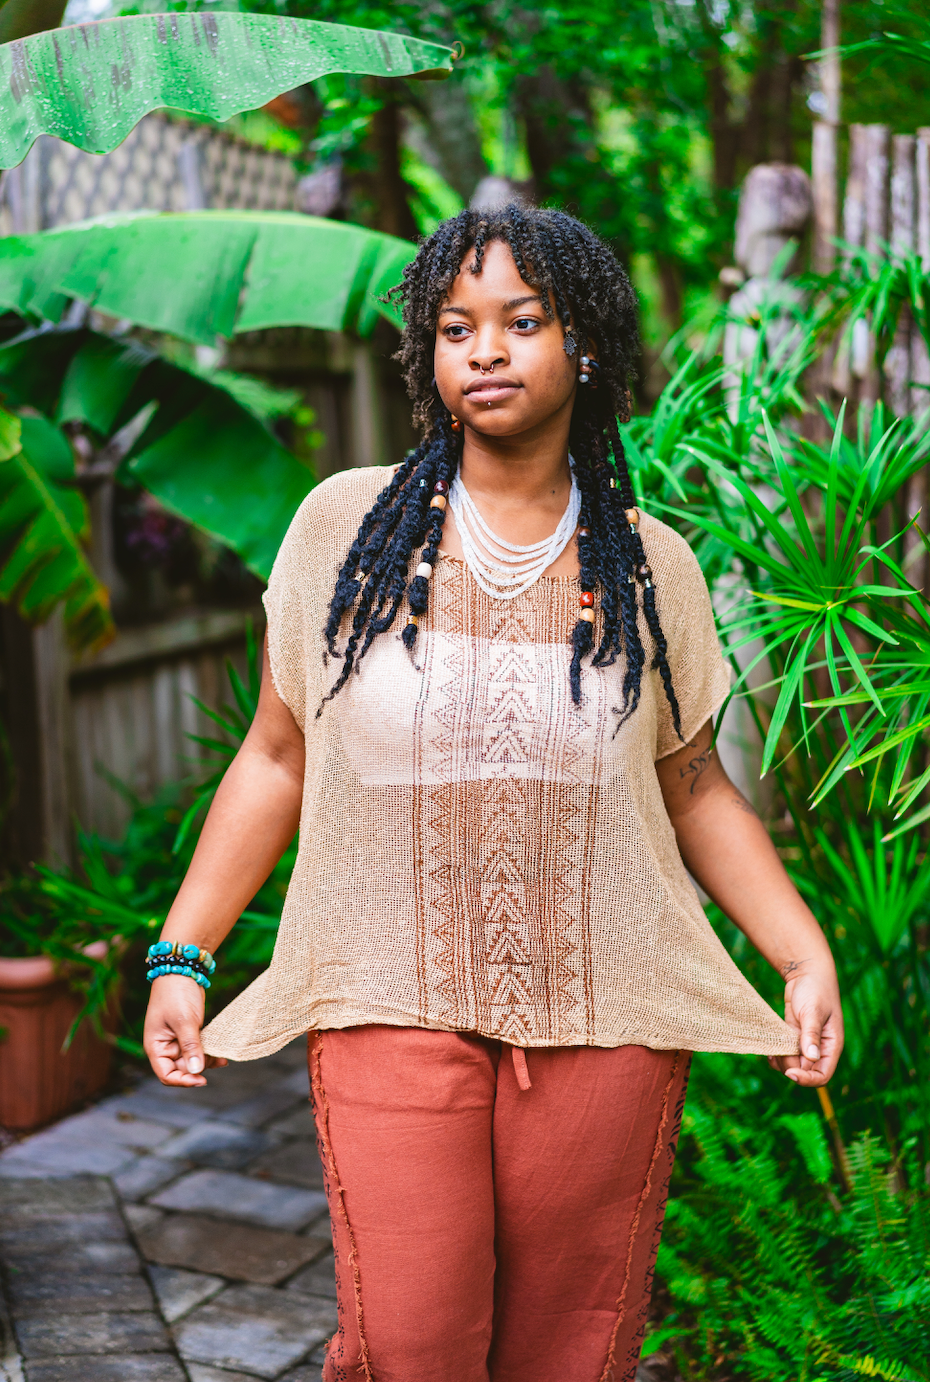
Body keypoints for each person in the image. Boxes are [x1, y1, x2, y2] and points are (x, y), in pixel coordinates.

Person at [143, 205, 843, 1382]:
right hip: (383, 992)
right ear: (427, 353)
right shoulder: (344, 532)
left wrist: (800, 950)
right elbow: (276, 757)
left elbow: (695, 785)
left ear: (585, 344)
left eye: (523, 320)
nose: (487, 349)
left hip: (605, 1015)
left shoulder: (648, 563)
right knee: (410, 1340)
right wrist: (183, 953)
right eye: (456, 326)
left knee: (570, 1347)